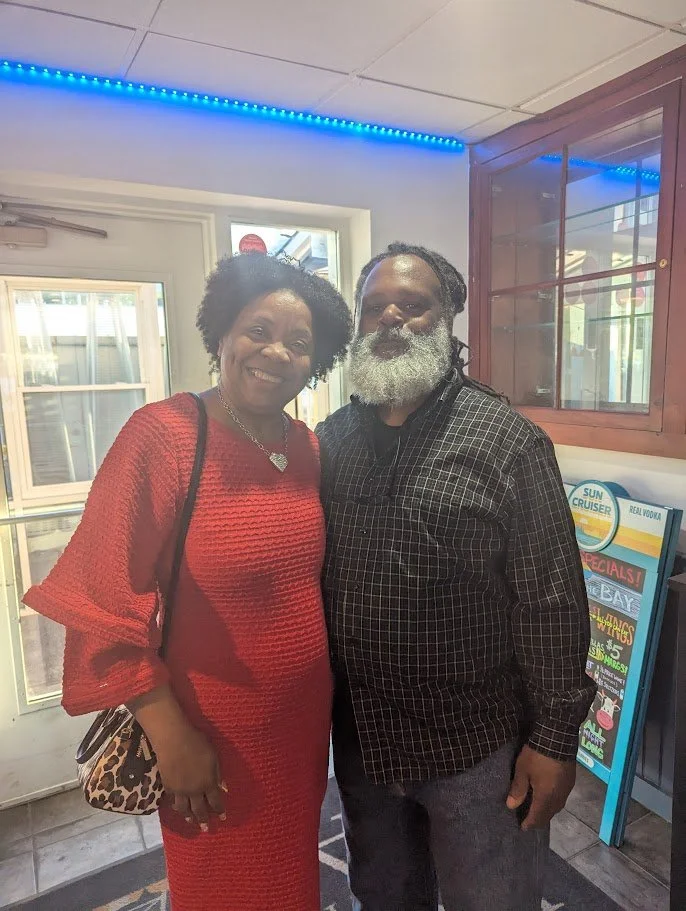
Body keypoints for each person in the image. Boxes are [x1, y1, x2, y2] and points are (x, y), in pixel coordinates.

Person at [24, 253, 352, 911]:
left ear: (314, 363)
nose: (275, 352)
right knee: (220, 891)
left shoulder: (308, 448)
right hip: (208, 735)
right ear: (223, 333)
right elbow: (100, 602)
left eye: (298, 343)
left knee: (290, 884)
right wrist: (171, 737)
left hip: (298, 732)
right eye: (258, 329)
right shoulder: (167, 437)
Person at [316, 242, 596, 911]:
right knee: (384, 896)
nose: (392, 319)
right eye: (375, 306)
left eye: (414, 305)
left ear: (446, 320)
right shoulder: (329, 442)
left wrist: (556, 740)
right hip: (365, 745)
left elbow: (552, 602)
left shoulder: (508, 442)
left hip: (477, 751)